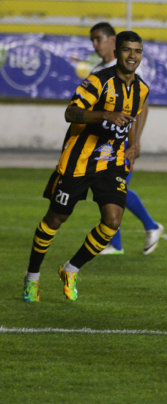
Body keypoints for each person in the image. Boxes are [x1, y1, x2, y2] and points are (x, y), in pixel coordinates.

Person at [22, 31, 149, 302]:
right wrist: (105, 114)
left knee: (113, 221)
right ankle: (32, 277)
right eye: (127, 50)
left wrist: (133, 144)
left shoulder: (142, 88)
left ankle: (71, 269)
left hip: (110, 163)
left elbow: (136, 115)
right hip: (77, 163)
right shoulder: (98, 81)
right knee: (56, 218)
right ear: (116, 52)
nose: (132, 56)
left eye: (137, 51)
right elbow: (71, 112)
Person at [90, 22, 164, 256]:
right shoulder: (98, 71)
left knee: (115, 188)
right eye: (92, 39)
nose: (95, 44)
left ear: (113, 40)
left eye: (99, 38)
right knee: (108, 188)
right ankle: (115, 243)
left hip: (123, 143)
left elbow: (142, 108)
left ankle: (151, 226)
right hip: (103, 143)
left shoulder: (126, 68)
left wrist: (136, 142)